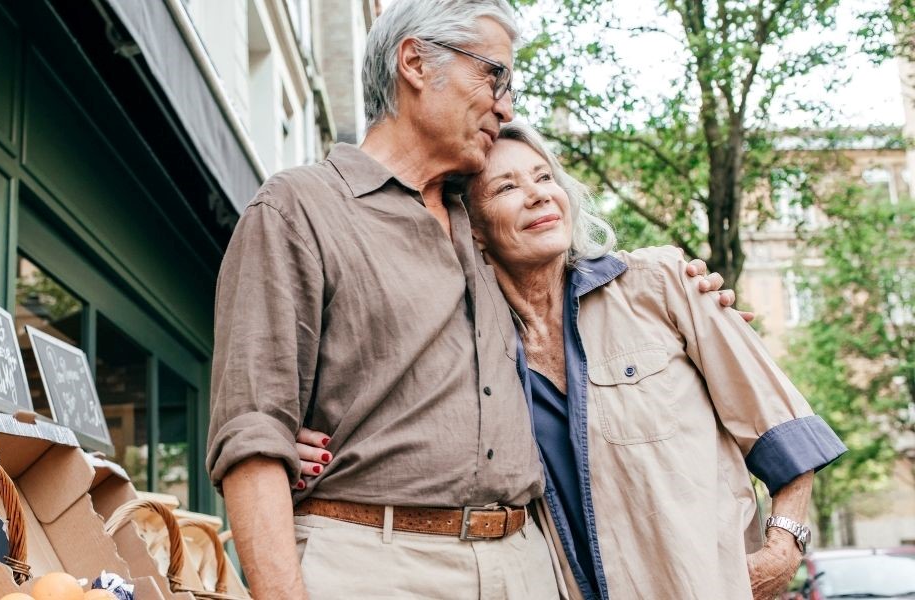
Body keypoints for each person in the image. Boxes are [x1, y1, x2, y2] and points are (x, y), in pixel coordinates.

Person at [206, 1, 743, 598]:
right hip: (371, 565)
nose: (505, 106)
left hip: (529, 563)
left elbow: (590, 303)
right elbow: (252, 435)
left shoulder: (487, 221)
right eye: (493, 75)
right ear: (414, 62)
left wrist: (691, 299)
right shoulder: (298, 207)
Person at [294, 121, 847, 600]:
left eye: (544, 177)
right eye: (507, 187)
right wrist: (302, 448)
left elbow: (783, 430)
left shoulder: (661, 284)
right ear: (475, 232)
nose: (538, 195)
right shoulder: (463, 349)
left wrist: (782, 549)